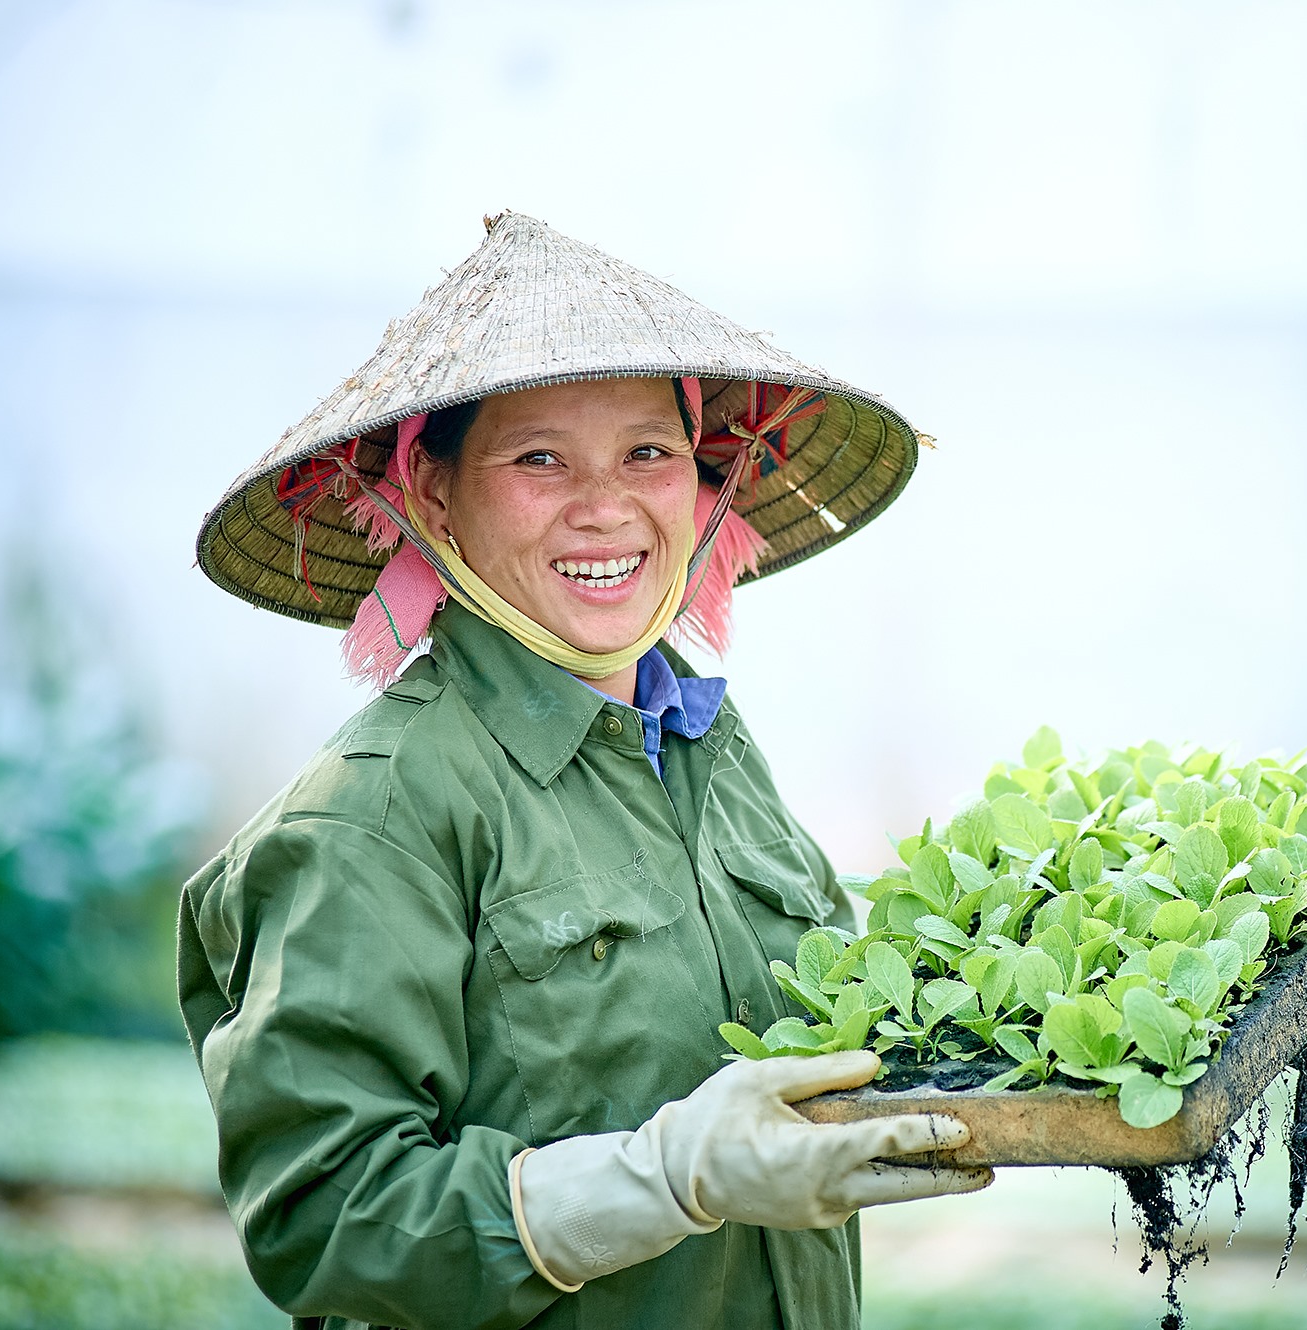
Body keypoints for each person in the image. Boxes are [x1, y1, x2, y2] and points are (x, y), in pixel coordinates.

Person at [180, 212, 989, 1330]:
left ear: (700, 481)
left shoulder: (704, 739)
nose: (606, 506)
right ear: (431, 496)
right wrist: (666, 1180)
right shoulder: (375, 811)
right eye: (538, 458)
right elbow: (321, 1217)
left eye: (649, 453)